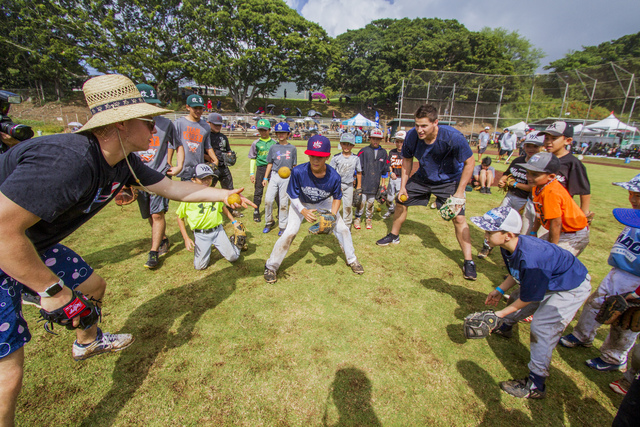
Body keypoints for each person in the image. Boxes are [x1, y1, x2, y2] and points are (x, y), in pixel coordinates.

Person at [0, 74, 254, 425]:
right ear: (119, 125)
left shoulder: (125, 163)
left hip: (31, 244)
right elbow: (2, 231)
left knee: (94, 288)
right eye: (147, 119)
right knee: (8, 371)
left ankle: (86, 341)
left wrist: (225, 194)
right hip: (7, 246)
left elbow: (174, 189)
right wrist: (52, 290)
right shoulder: (68, 161)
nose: (155, 126)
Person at [472, 206, 591, 399]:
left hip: (569, 286)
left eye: (489, 231)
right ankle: (506, 327)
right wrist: (500, 290)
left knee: (542, 327)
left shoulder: (532, 258)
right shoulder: (508, 246)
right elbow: (517, 273)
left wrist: (499, 314)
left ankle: (536, 384)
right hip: (548, 278)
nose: (485, 235)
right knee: (513, 298)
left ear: (508, 235)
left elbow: (529, 298)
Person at [376, 104, 477, 281]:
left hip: (449, 180)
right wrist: (403, 187)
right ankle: (393, 236)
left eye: (424, 126)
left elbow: (470, 162)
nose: (419, 130)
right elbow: (407, 160)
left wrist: (460, 192)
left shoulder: (452, 137)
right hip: (423, 177)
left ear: (435, 123)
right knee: (401, 201)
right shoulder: (412, 137)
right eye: (417, 125)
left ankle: (469, 261)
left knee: (459, 218)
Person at [559, 176, 640, 371]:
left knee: (625, 321)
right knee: (596, 303)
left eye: (637, 195)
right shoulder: (633, 216)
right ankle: (582, 335)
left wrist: (638, 292)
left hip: (636, 281)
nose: (632, 199)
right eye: (631, 194)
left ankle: (614, 357)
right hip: (617, 272)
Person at [263, 136, 364, 284]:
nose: (315, 160)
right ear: (308, 155)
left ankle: (352, 259)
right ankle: (271, 266)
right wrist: (303, 210)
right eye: (312, 156)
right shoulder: (298, 171)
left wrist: (332, 216)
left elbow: (337, 198)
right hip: (301, 202)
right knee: (290, 232)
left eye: (320, 157)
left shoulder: (334, 176)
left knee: (342, 229)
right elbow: (292, 195)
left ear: (327, 157)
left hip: (323, 202)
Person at [134, 83, 183, 269]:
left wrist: (178, 166)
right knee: (148, 213)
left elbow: (178, 144)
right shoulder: (131, 124)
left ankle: (153, 252)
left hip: (158, 175)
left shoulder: (165, 123)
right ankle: (162, 238)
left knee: (156, 214)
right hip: (137, 176)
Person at [478, 131, 544, 259]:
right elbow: (507, 173)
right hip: (510, 196)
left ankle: (517, 258)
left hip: (525, 201)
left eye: (535, 146)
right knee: (496, 223)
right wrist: (503, 180)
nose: (531, 149)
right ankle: (487, 247)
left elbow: (534, 187)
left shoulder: (540, 166)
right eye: (528, 145)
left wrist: (514, 184)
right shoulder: (518, 161)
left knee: (522, 231)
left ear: (542, 147)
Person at [176, 164, 246, 270]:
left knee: (233, 257)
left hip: (218, 231)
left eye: (209, 177)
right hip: (201, 235)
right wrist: (186, 238)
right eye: (202, 178)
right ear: (193, 179)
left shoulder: (214, 193)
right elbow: (180, 217)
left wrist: (233, 221)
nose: (207, 181)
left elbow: (222, 208)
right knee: (200, 266)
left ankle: (234, 241)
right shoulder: (188, 197)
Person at [525, 152, 589, 256]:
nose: (529, 177)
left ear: (551, 176)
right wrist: (533, 231)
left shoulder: (551, 192)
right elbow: (539, 212)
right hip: (563, 231)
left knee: (553, 261)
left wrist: (552, 248)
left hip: (573, 233)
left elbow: (556, 223)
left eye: (535, 174)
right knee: (535, 251)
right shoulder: (537, 186)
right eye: (527, 172)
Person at [540, 121, 593, 221]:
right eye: (546, 138)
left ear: (567, 140)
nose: (548, 142)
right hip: (538, 206)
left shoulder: (573, 163)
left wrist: (584, 213)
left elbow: (584, 191)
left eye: (554, 138)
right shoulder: (543, 158)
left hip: (556, 210)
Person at [173, 94, 218, 181]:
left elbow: (208, 146)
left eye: (200, 108)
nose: (198, 111)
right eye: (195, 108)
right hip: (185, 166)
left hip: (199, 168)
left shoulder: (205, 126)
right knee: (186, 192)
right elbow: (171, 145)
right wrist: (169, 163)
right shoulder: (179, 123)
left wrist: (215, 159)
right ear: (188, 107)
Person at [263, 122, 297, 235]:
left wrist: (295, 179)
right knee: (268, 200)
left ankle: (282, 225)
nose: (281, 135)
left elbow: (294, 166)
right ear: (276, 134)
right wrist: (265, 178)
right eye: (279, 133)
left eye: (283, 132)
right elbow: (269, 163)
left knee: (283, 202)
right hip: (274, 175)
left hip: (287, 177)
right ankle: (269, 221)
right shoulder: (273, 147)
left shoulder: (292, 148)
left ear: (288, 134)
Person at [354, 128, 388, 230]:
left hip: (375, 183)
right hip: (364, 182)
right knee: (361, 202)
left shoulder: (383, 153)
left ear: (381, 140)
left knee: (371, 203)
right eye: (373, 138)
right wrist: (356, 182)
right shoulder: (363, 151)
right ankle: (358, 218)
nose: (375, 141)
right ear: (370, 139)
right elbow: (357, 168)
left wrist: (383, 184)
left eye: (378, 139)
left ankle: (369, 219)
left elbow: (384, 171)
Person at [329, 132, 362, 228]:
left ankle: (347, 226)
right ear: (341, 144)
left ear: (353, 145)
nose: (346, 146)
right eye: (344, 144)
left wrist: (359, 186)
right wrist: (335, 185)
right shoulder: (336, 158)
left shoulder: (355, 158)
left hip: (349, 185)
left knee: (348, 206)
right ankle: (331, 223)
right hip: (337, 185)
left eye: (349, 144)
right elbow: (331, 173)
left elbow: (359, 172)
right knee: (334, 204)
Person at [207, 113, 238, 209]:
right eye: (215, 124)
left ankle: (232, 210)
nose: (217, 127)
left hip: (224, 167)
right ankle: (207, 209)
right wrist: (211, 159)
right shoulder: (206, 136)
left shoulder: (223, 137)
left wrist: (230, 155)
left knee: (229, 189)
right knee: (209, 189)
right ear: (208, 123)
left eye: (219, 125)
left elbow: (228, 150)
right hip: (211, 167)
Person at [248, 118, 276, 223]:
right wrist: (251, 172)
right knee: (258, 190)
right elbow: (253, 158)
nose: (263, 132)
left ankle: (278, 213)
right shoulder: (256, 143)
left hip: (273, 169)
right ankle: (256, 210)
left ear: (269, 130)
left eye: (265, 130)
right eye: (260, 130)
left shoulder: (274, 143)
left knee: (275, 190)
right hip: (260, 169)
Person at [383, 130, 406, 220]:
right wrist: (391, 173)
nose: (399, 144)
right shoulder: (392, 152)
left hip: (402, 179)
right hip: (393, 178)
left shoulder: (407, 154)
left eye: (402, 142)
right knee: (389, 198)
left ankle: (398, 214)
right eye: (397, 141)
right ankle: (391, 209)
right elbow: (389, 164)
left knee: (399, 198)